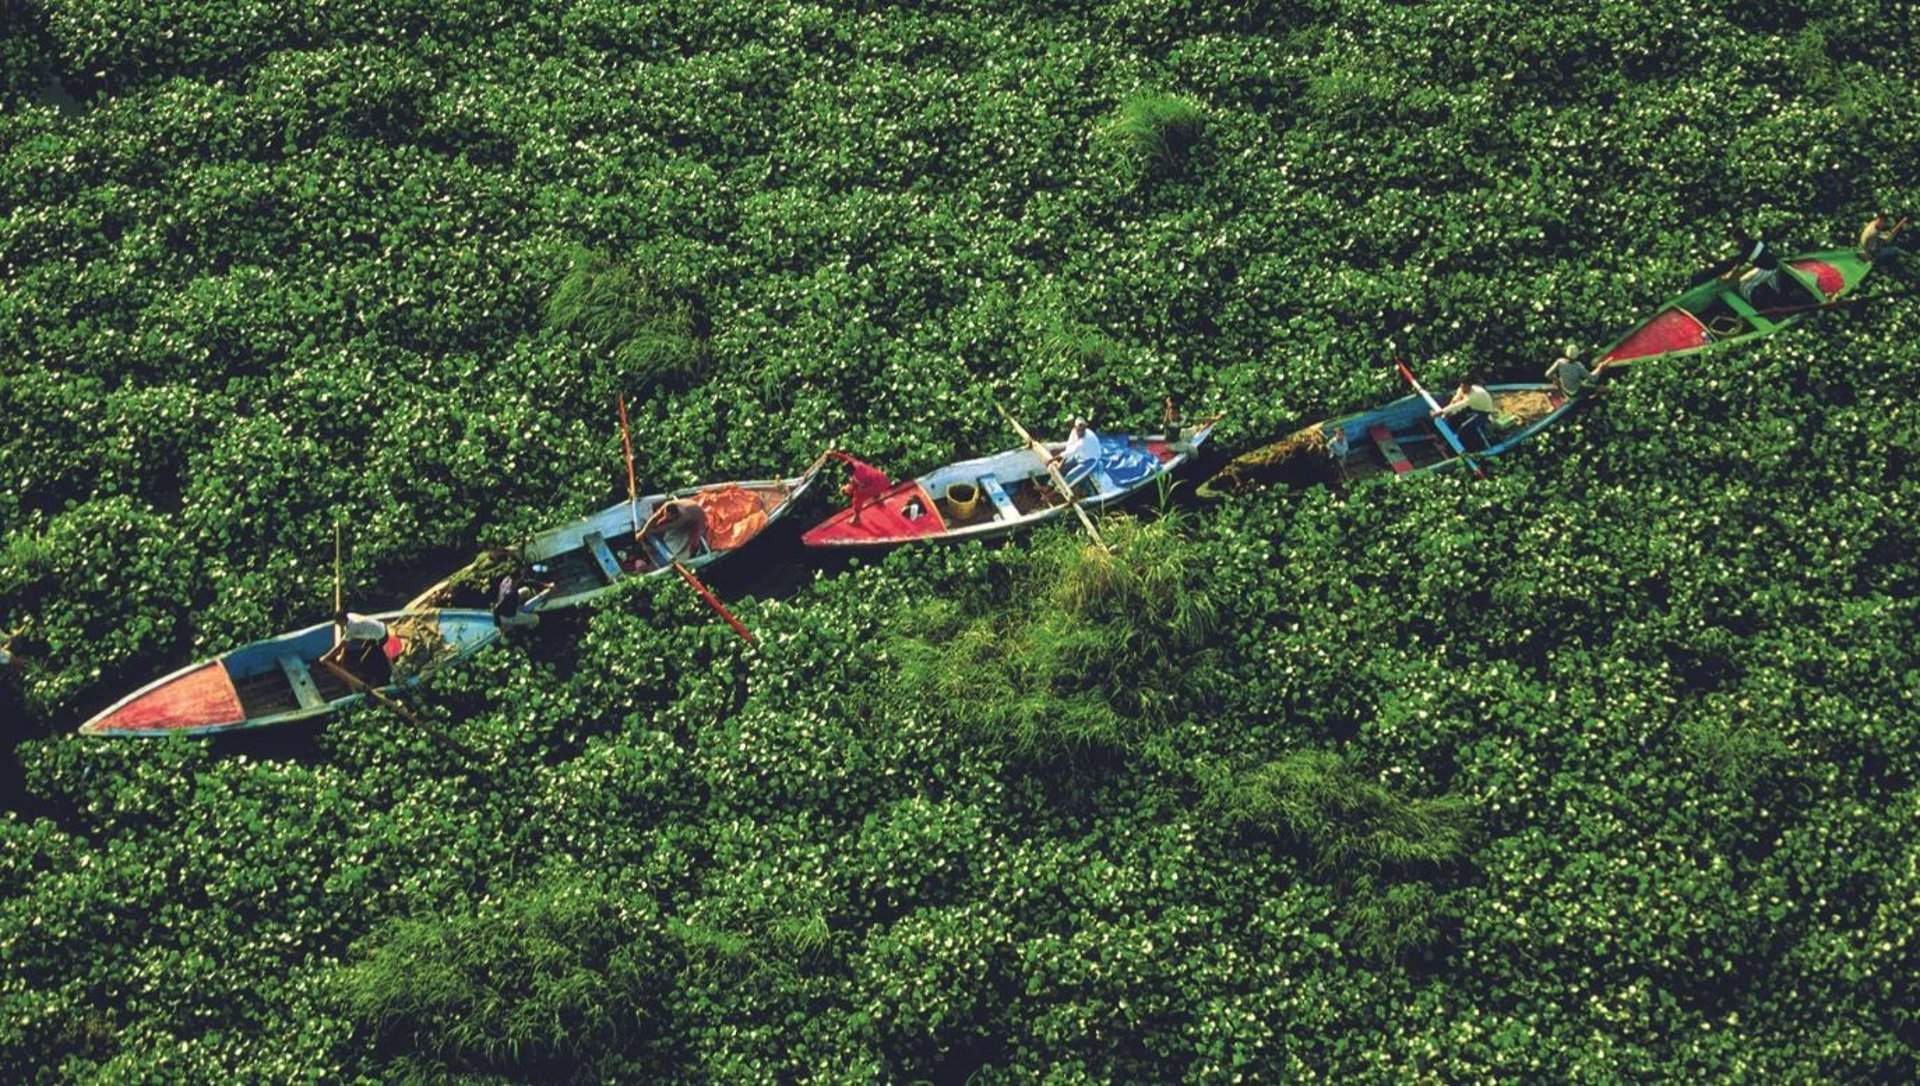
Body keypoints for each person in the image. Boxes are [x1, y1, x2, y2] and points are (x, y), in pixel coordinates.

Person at [826, 450, 891, 525]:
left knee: (858, 496)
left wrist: (845, 489)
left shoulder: (858, 477)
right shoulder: (856, 463)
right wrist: (834, 454)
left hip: (880, 486)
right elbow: (845, 458)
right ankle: (878, 498)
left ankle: (856, 518)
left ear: (849, 472)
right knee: (871, 481)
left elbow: (854, 488)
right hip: (884, 479)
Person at [636, 498, 708, 564]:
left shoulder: (684, 517)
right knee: (660, 522)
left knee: (694, 541)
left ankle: (693, 556)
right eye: (665, 515)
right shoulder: (667, 505)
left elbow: (669, 527)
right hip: (689, 505)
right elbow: (654, 517)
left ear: (676, 515)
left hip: (697, 518)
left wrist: (650, 531)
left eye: (669, 517)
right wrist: (643, 531)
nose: (666, 518)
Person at [1432, 381, 1496, 449]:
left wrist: (1442, 411)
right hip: (1473, 407)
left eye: (1465, 388)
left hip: (1484, 412)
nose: (1463, 390)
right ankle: (1444, 441)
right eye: (1462, 387)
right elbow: (1456, 399)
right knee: (1452, 417)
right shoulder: (1462, 388)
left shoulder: (1473, 396)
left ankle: (1475, 448)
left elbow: (1459, 405)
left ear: (1470, 387)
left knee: (1465, 429)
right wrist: (1449, 409)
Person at [1691, 236, 1768, 287]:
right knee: (1718, 269)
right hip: (1726, 268)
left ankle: (1698, 279)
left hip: (1728, 269)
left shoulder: (1747, 257)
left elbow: (1735, 267)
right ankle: (1697, 279)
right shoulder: (1744, 256)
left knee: (1717, 270)